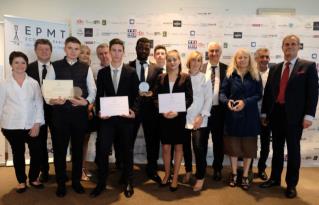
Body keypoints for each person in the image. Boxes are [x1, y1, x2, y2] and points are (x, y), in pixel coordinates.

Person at [260, 35, 318, 198]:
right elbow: (268, 94)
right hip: (276, 114)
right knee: (277, 149)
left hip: (295, 117)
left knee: (293, 150)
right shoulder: (275, 68)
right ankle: (275, 179)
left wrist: (309, 115)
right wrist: (264, 113)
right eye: (286, 44)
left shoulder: (308, 66)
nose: (289, 47)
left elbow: (313, 94)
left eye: (293, 44)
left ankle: (291, 184)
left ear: (298, 47)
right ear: (282, 47)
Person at [46, 36, 97, 197]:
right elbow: (46, 89)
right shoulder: (54, 66)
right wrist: (51, 99)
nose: (73, 51)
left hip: (79, 117)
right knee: (60, 151)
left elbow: (93, 89)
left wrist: (86, 102)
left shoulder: (86, 67)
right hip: (60, 116)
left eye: (76, 49)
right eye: (70, 48)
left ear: (79, 50)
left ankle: (76, 181)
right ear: (65, 49)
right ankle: (61, 183)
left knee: (77, 151)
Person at [91, 38, 139, 198]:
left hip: (125, 119)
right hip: (108, 120)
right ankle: (102, 182)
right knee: (103, 150)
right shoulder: (103, 73)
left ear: (123, 52)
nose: (117, 54)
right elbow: (99, 96)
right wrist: (99, 111)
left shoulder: (131, 72)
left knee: (127, 152)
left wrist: (134, 110)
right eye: (114, 50)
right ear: (109, 52)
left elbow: (137, 95)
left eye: (120, 50)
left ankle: (128, 182)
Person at [0, 51, 45, 193]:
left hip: (32, 125)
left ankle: (33, 178)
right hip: (11, 126)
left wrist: (37, 123)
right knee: (17, 154)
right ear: (11, 65)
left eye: (23, 62)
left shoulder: (33, 83)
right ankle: (21, 181)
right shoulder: (4, 84)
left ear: (26, 64)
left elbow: (39, 103)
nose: (20, 65)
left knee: (36, 152)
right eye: (16, 62)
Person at [220, 48, 262, 190]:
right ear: (235, 60)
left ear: (249, 59)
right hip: (233, 117)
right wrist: (227, 102)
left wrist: (245, 102)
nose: (242, 59)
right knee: (233, 148)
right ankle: (233, 174)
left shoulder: (255, 75)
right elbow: (222, 94)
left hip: (250, 118)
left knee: (248, 149)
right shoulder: (229, 75)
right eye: (239, 57)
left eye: (245, 57)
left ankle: (244, 175)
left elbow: (258, 95)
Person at [153, 50, 193, 191]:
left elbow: (189, 98)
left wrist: (178, 111)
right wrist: (162, 110)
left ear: (179, 61)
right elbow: (155, 98)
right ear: (166, 62)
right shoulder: (160, 78)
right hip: (164, 118)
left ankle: (175, 176)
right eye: (169, 59)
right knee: (165, 147)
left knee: (178, 147)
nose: (172, 62)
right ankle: (167, 174)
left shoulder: (185, 77)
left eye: (174, 59)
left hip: (179, 118)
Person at [128, 37, 163, 184]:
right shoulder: (127, 67)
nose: (143, 50)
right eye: (140, 47)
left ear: (150, 50)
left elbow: (159, 90)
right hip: (132, 111)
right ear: (136, 48)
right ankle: (127, 171)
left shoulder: (157, 69)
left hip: (151, 112)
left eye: (146, 48)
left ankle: (152, 169)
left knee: (152, 142)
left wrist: (152, 94)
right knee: (128, 142)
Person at [183, 51, 212, 191]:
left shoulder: (205, 78)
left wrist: (201, 116)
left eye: (199, 60)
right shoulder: (182, 77)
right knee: (185, 148)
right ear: (189, 62)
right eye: (193, 60)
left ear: (201, 63)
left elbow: (208, 99)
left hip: (200, 119)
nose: (196, 63)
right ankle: (188, 171)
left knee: (198, 148)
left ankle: (200, 177)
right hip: (183, 118)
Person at [26, 39, 53, 183]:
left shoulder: (58, 67)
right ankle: (44, 170)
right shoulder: (27, 68)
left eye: (47, 49)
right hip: (36, 113)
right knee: (40, 143)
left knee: (59, 142)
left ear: (51, 51)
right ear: (36, 51)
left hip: (56, 112)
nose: (44, 52)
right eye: (41, 49)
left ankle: (60, 169)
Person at [200, 42, 227, 181]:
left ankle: (217, 168)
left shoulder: (227, 69)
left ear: (220, 53)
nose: (214, 53)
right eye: (211, 51)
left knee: (218, 142)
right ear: (208, 52)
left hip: (219, 112)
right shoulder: (201, 67)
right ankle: (202, 168)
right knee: (202, 141)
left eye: (217, 51)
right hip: (203, 111)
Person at [253, 48, 272, 180]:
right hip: (252, 114)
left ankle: (261, 169)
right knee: (250, 144)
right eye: (261, 57)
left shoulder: (274, 73)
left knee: (265, 145)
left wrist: (265, 114)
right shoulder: (251, 74)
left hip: (267, 115)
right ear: (256, 59)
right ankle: (247, 169)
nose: (265, 59)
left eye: (266, 57)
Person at [78, 44, 95, 181]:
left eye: (87, 53)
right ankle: (77, 169)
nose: (85, 55)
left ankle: (82, 168)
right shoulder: (72, 70)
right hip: (74, 112)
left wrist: (91, 106)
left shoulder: (91, 71)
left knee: (84, 142)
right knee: (76, 142)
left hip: (88, 113)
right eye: (82, 52)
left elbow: (94, 93)